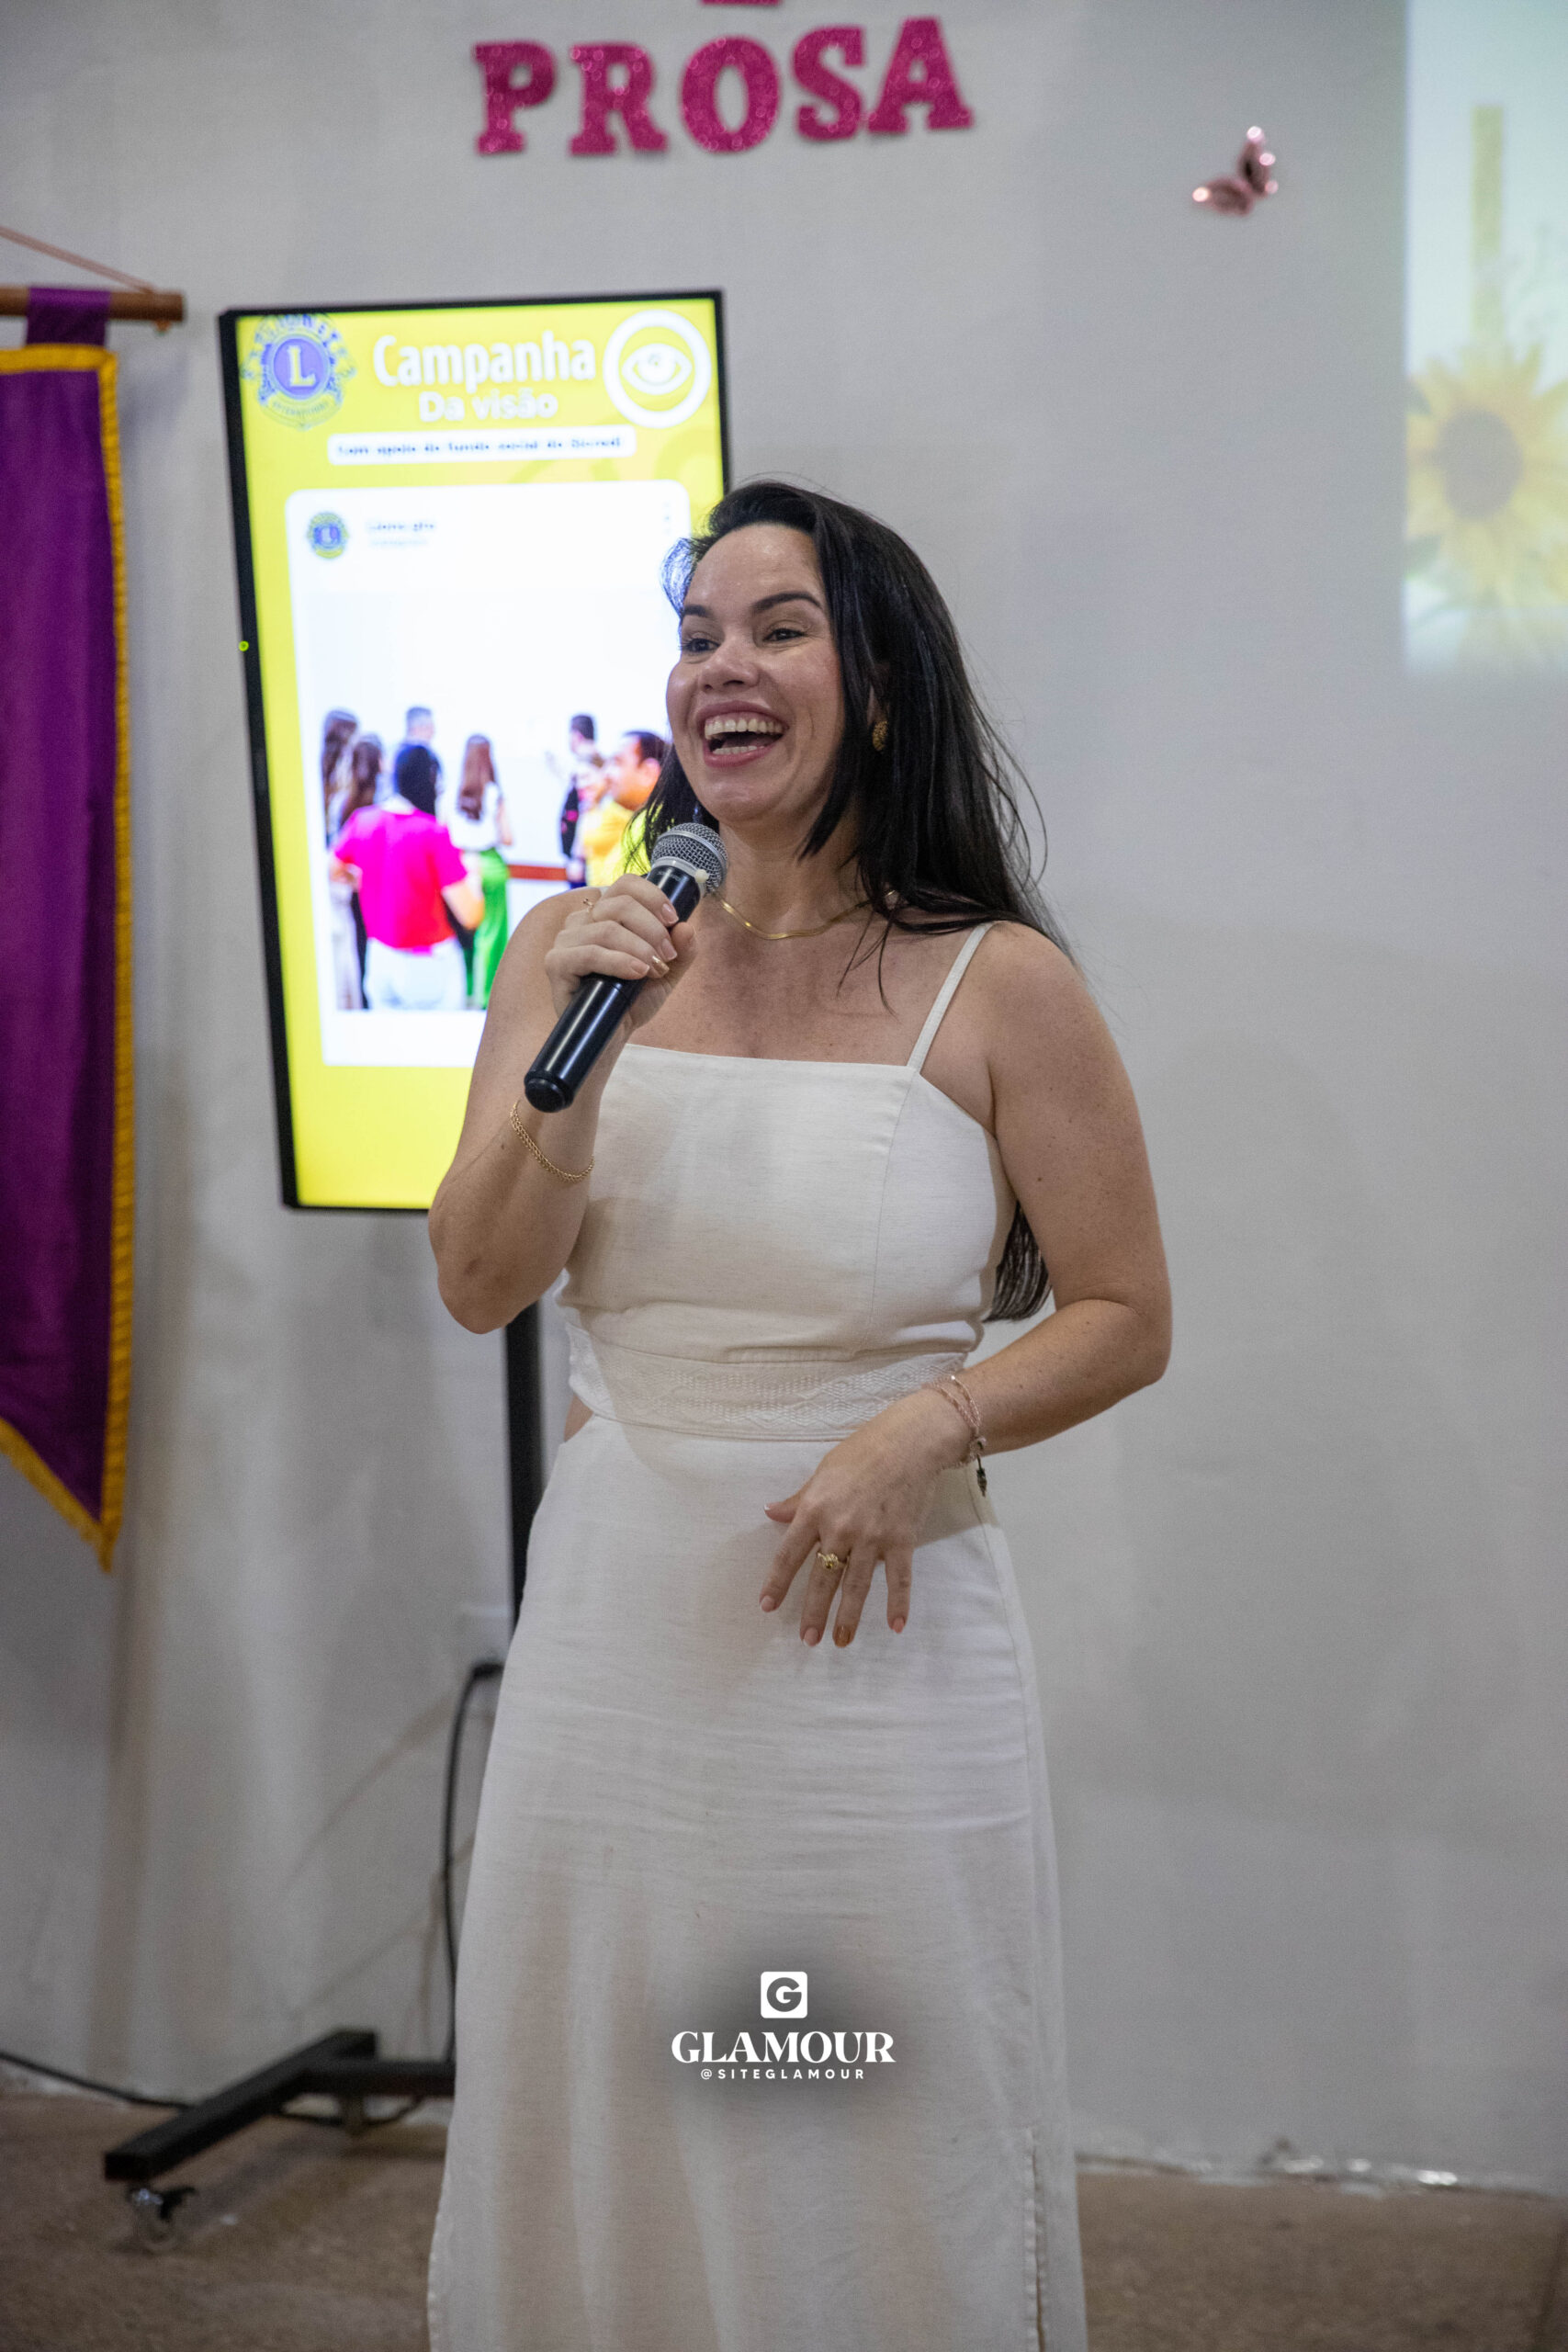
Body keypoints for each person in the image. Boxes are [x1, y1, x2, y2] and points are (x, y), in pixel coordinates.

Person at [426, 481, 1171, 2352]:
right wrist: (577, 1065)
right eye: (695, 635)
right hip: (619, 1626)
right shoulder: (572, 950)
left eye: (777, 628)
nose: (719, 670)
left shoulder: (998, 982)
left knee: (850, 2095)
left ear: (883, 689)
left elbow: (1123, 1313)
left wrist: (925, 1428)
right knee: (610, 2078)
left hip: (876, 1642)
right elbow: (481, 1277)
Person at [331, 743, 482, 1012]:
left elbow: (332, 869)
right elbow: (470, 915)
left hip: (380, 959)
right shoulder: (432, 833)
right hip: (430, 964)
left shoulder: (362, 820)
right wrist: (474, 873)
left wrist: (362, 880)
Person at [442, 734, 513, 1008]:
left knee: (464, 933)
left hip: (459, 865)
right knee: (491, 934)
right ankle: (487, 999)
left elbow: (443, 833)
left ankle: (466, 992)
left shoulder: (449, 793)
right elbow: (508, 837)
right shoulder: (494, 793)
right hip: (490, 864)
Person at [578, 727, 664, 887]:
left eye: (617, 763)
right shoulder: (638, 823)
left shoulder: (659, 832)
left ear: (648, 773)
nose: (606, 774)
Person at [553, 712, 604, 886]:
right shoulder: (583, 763)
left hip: (588, 864)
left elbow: (585, 816)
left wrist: (577, 858)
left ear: (576, 735)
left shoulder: (590, 761)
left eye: (585, 777)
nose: (582, 784)